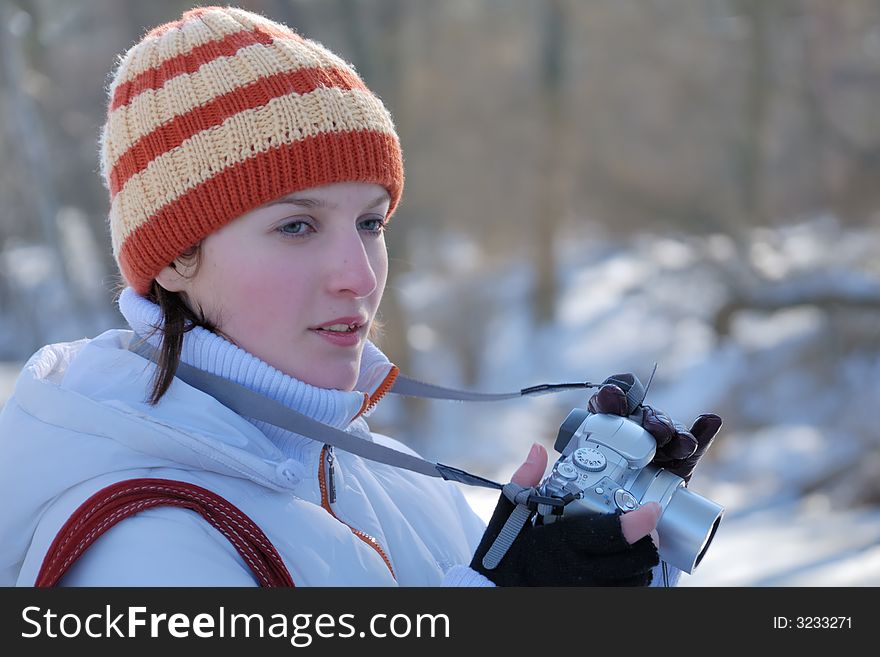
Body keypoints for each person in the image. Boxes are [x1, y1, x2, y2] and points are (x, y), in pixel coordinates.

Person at [0, 6, 720, 587]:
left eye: (370, 221)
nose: (359, 272)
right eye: (296, 225)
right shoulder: (142, 545)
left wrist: (618, 554)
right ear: (176, 257)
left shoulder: (377, 473)